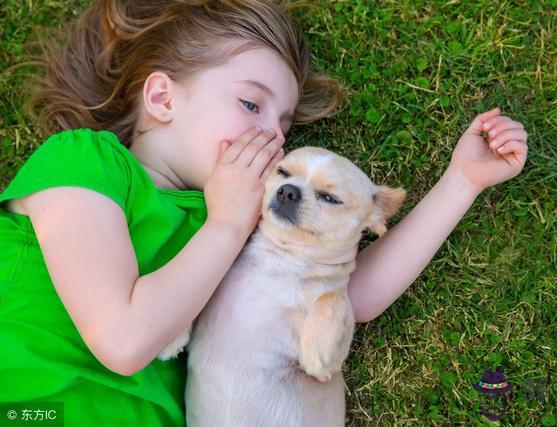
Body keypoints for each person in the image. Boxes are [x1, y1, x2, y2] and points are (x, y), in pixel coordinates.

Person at [0, 0, 528, 425]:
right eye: (251, 104)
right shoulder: (84, 162)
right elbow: (124, 340)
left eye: (284, 124)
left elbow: (352, 293)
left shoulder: (242, 218)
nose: (273, 136)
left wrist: (462, 182)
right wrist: (226, 223)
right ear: (163, 98)